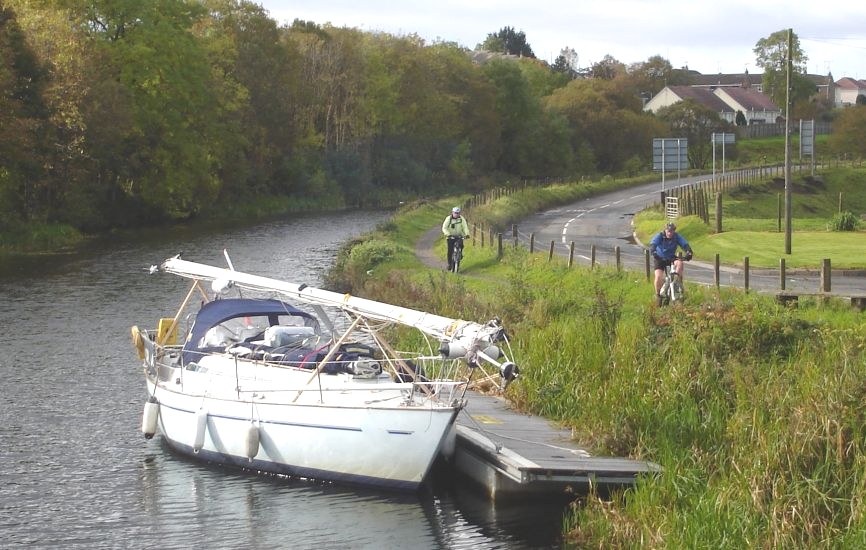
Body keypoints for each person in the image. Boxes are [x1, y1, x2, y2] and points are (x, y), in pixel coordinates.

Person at [649, 222, 693, 303]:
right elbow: (653, 244)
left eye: (672, 231)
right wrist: (653, 251)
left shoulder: (676, 236)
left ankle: (675, 283)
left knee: (680, 263)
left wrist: (689, 252)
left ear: (674, 231)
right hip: (660, 257)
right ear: (665, 230)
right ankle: (658, 295)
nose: (670, 233)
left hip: (671, 257)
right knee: (658, 277)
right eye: (668, 231)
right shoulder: (660, 236)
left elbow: (684, 244)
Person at [442, 206, 470, 271]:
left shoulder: (462, 219)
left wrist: (467, 234)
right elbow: (444, 228)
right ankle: (449, 264)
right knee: (450, 250)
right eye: (455, 213)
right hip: (450, 236)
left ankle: (459, 255)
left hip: (459, 236)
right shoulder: (448, 219)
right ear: (452, 212)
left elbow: (465, 227)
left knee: (461, 245)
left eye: (458, 213)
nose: (456, 214)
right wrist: (448, 234)